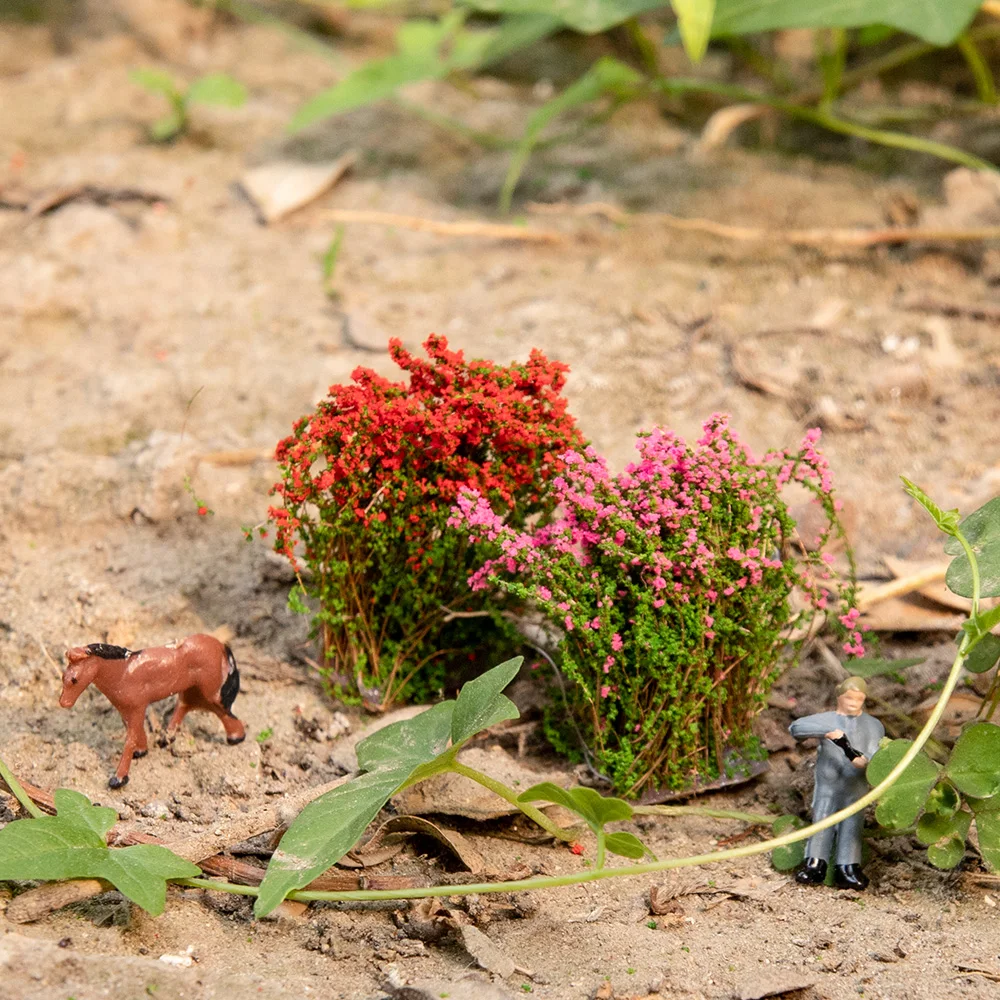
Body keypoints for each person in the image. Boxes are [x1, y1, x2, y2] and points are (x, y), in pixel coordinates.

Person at [788, 676, 884, 890]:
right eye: (849, 698)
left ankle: (847, 868)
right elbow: (797, 729)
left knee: (852, 825)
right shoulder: (828, 719)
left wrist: (863, 758)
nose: (853, 703)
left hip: (855, 784)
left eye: (858, 699)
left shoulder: (873, 725)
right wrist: (826, 731)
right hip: (828, 783)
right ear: (840, 697)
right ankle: (815, 863)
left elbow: (873, 753)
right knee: (822, 820)